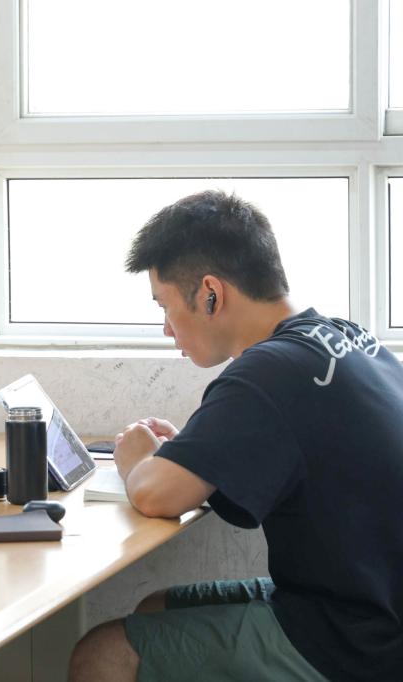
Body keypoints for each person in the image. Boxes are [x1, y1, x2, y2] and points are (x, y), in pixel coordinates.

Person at [68, 191, 402, 681]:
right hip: (374, 613)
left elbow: (155, 495)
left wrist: (136, 458)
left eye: (164, 305)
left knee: (101, 653)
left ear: (210, 293)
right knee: (155, 608)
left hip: (352, 642)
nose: (166, 329)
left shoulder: (265, 373)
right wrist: (188, 455)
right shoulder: (347, 338)